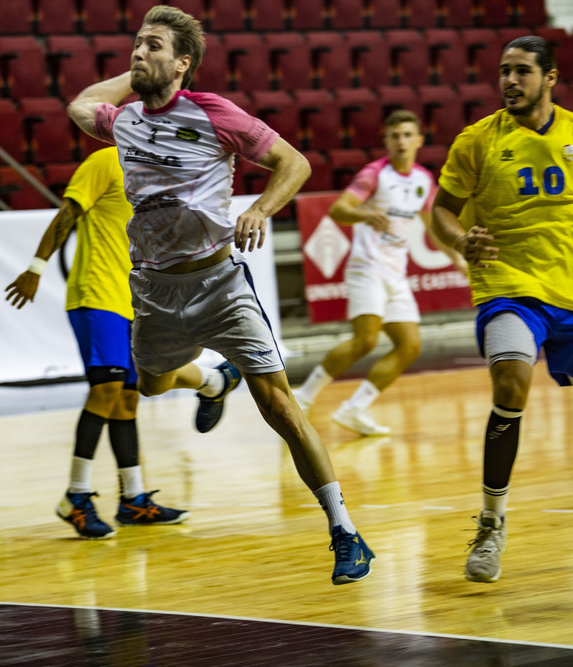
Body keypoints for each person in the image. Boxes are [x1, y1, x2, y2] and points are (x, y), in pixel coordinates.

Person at [66, 5, 375, 584]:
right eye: (136, 44)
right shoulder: (125, 120)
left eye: (153, 46)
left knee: (281, 407)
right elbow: (80, 106)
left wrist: (259, 207)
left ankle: (345, 531)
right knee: (150, 384)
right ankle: (213, 380)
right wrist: (133, 77)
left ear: (183, 63)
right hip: (155, 292)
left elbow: (294, 162)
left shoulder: (213, 113)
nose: (139, 52)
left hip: (219, 285)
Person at [429, 36, 573, 583]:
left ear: (550, 78)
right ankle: (492, 525)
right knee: (510, 387)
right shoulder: (476, 140)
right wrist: (460, 241)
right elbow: (441, 212)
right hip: (508, 287)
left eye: (522, 71)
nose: (509, 81)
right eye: (503, 71)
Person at [6, 146, 231, 539]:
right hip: (96, 295)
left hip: (135, 298)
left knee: (128, 397)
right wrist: (36, 268)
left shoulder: (163, 176)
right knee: (106, 390)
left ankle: (133, 498)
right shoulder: (105, 161)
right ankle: (76, 495)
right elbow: (67, 216)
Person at [293, 110, 461, 436]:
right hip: (366, 267)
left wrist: (458, 258)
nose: (401, 141)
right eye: (395, 136)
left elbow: (434, 228)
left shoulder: (423, 180)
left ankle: (355, 409)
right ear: (386, 140)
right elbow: (341, 209)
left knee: (409, 346)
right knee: (366, 340)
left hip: (395, 274)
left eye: (407, 135)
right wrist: (366, 213)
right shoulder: (375, 173)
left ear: (418, 140)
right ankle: (303, 396)